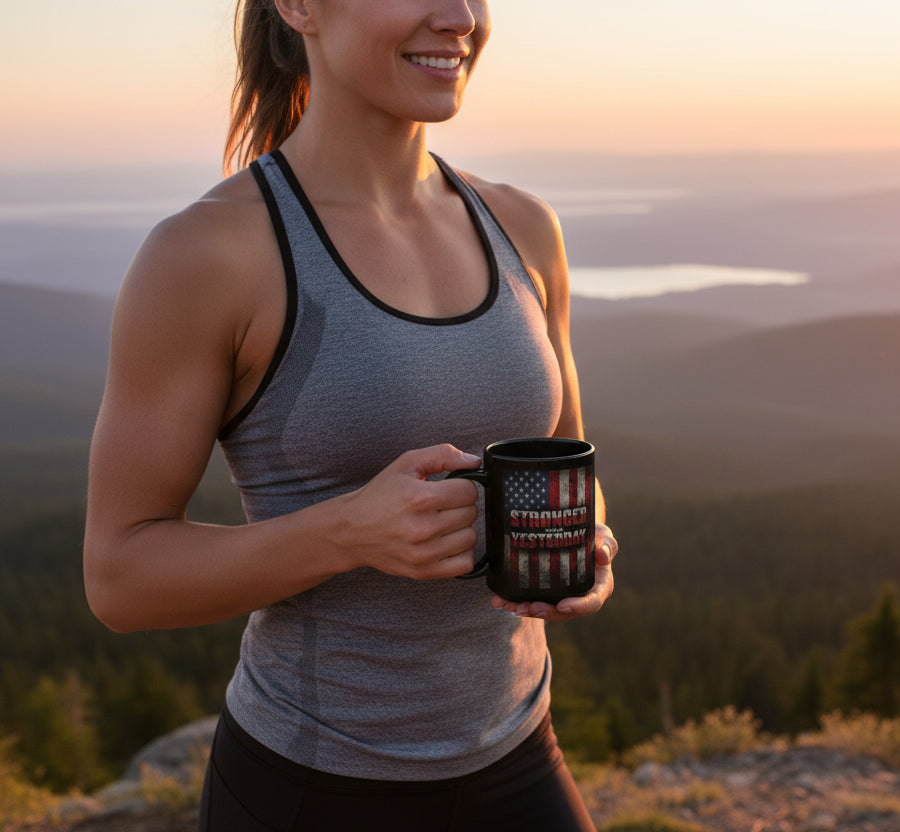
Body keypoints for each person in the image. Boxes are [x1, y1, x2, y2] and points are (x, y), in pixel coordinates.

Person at [82, 0, 617, 829]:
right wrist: (348, 533)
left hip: (519, 757)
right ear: (298, 7)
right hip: (309, 788)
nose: (461, 16)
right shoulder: (208, 255)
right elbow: (119, 577)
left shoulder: (523, 228)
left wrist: (584, 543)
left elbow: (565, 468)